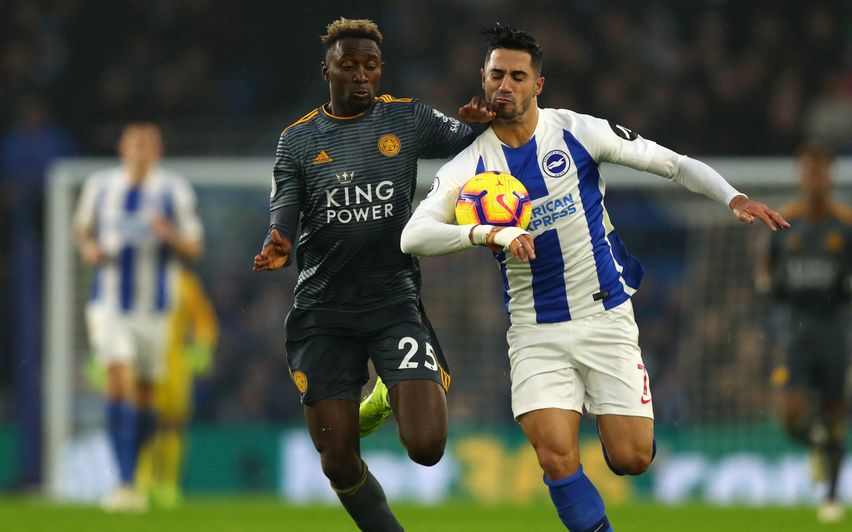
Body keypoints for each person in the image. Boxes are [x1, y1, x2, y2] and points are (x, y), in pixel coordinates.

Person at [399, 24, 789, 532]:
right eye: (497, 74)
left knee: (631, 458)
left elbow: (669, 163)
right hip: (536, 331)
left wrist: (732, 196)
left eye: (518, 76)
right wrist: (484, 235)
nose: (505, 85)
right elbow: (414, 235)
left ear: (538, 85)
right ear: (484, 77)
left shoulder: (576, 132)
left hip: (605, 315)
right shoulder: (470, 166)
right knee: (556, 456)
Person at [251, 18, 491, 531]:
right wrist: (279, 239)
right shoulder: (297, 140)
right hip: (323, 312)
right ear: (327, 70)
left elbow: (467, 137)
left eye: (371, 66)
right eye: (350, 65)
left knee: (426, 447)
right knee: (338, 461)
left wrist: (476, 119)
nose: (362, 75)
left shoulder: (407, 120)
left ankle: (387, 389)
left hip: (392, 303)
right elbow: (287, 202)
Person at [74, 122, 204, 511]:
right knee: (118, 380)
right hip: (110, 304)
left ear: (158, 150)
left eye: (148, 144)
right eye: (135, 144)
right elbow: (82, 232)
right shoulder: (99, 186)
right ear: (123, 148)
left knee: (147, 397)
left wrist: (170, 236)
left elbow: (195, 248)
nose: (141, 150)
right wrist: (90, 250)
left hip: (157, 310)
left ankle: (138, 480)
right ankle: (125, 483)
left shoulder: (173, 190)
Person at [756, 141, 852, 523]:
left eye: (818, 170)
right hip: (797, 333)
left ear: (829, 175)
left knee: (835, 414)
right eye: (806, 170)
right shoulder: (786, 222)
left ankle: (832, 499)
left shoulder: (847, 225)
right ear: (800, 175)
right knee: (789, 415)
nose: (812, 178)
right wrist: (768, 283)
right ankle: (817, 443)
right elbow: (766, 270)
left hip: (834, 332)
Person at [136, 266, 218, 508]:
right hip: (145, 359)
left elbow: (204, 322)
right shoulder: (139, 280)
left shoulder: (184, 283)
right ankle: (144, 481)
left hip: (175, 364)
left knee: (173, 423)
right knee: (145, 419)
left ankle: (169, 484)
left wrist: (202, 348)